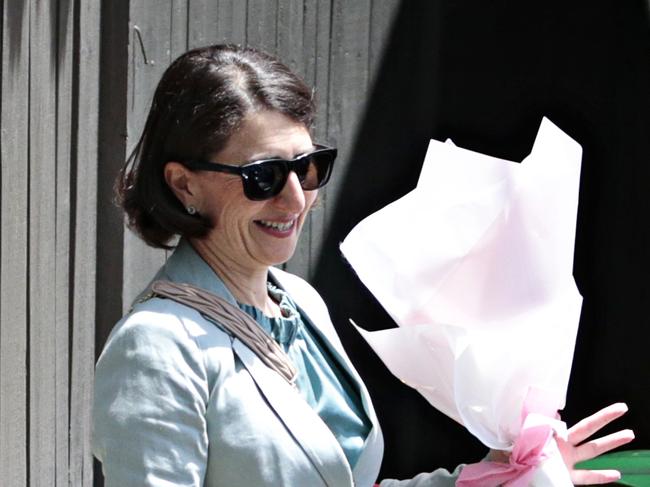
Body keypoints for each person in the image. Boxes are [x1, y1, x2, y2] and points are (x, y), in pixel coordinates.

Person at [92, 44, 633, 487]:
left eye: (307, 168)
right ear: (184, 184)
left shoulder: (300, 302)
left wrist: (503, 477)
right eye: (263, 177)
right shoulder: (156, 348)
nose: (295, 199)